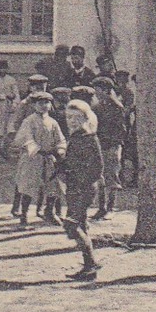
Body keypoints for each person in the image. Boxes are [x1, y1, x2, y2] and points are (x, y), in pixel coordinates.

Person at [59, 98, 106, 280]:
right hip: (74, 188)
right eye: (69, 117)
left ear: (86, 118)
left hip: (83, 188)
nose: (71, 121)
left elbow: (97, 168)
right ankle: (89, 264)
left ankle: (90, 265)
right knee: (81, 224)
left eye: (76, 117)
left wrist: (80, 181)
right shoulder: (76, 137)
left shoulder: (89, 138)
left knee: (71, 224)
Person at [15, 89, 65, 226]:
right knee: (29, 186)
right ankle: (24, 215)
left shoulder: (53, 122)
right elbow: (25, 139)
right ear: (34, 105)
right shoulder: (29, 121)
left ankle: (50, 211)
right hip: (32, 158)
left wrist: (59, 151)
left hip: (49, 158)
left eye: (47, 103)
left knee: (53, 186)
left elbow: (60, 140)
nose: (44, 106)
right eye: (41, 103)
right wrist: (38, 150)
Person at [90, 77, 127, 219]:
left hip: (112, 146)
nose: (96, 93)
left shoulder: (117, 107)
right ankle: (101, 207)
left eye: (98, 90)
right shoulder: (97, 107)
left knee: (111, 176)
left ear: (105, 90)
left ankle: (110, 207)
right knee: (100, 176)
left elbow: (122, 130)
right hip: (100, 145)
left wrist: (113, 144)